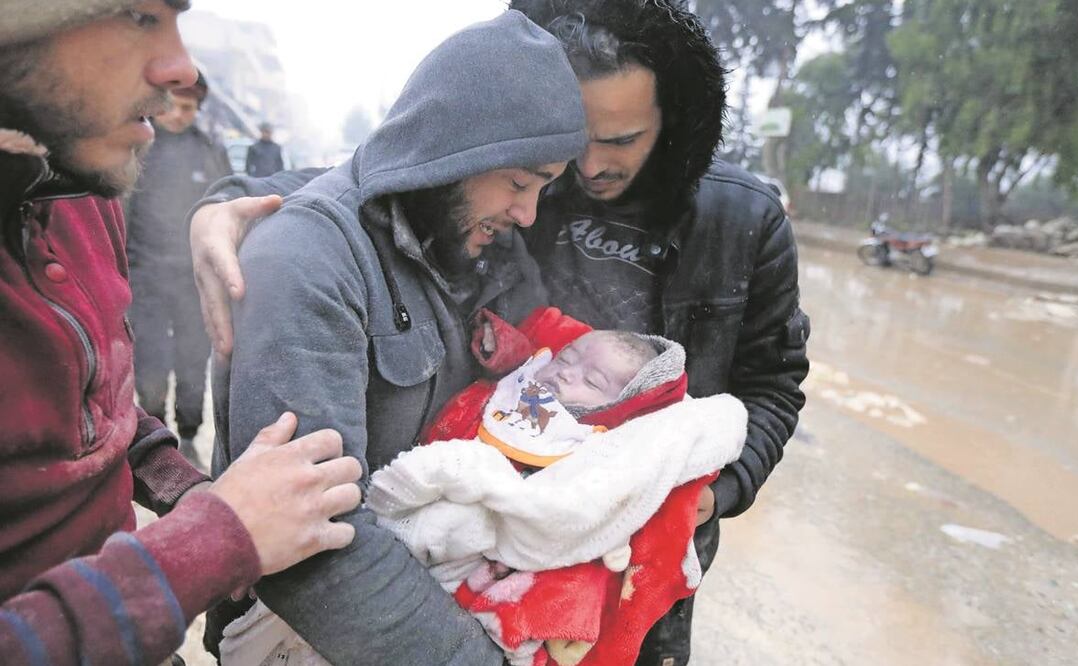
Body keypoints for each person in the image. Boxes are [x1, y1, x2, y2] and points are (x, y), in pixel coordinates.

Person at [190, 1, 811, 663]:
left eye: (621, 140)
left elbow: (773, 386)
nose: (589, 168)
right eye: (569, 149)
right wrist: (230, 202)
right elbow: (390, 177)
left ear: (671, 122)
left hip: (628, 574)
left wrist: (704, 498)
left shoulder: (740, 218)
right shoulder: (508, 198)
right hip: (429, 612)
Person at [201, 11, 589, 664]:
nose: (526, 214)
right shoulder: (310, 261)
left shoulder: (480, 244)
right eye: (519, 184)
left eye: (542, 189)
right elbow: (311, 546)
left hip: (420, 600)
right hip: (300, 628)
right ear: (454, 153)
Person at [0, 2, 363, 664]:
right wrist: (214, 542)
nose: (182, 67)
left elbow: (94, 409)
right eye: (135, 15)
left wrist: (193, 490)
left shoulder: (82, 186)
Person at [218, 307, 748, 666]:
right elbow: (526, 351)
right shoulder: (518, 388)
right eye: (569, 359)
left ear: (619, 406)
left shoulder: (604, 448)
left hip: (500, 562)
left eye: (592, 381)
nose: (566, 377)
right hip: (411, 529)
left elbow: (588, 524)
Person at [126, 71, 231, 466]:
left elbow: (224, 205)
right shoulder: (134, 147)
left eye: (189, 108)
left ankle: (188, 435)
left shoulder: (209, 151)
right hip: (144, 277)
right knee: (150, 364)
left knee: (192, 360)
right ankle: (156, 441)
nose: (179, 114)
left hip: (193, 281)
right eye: (173, 105)